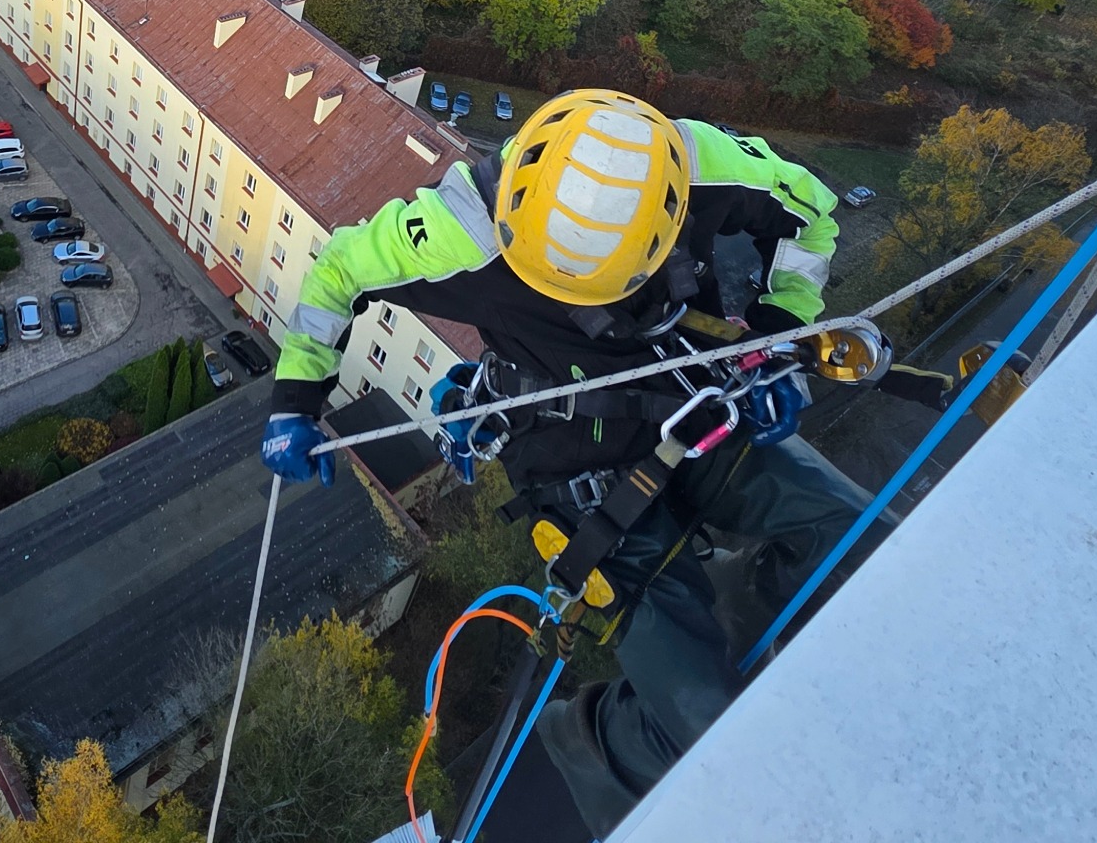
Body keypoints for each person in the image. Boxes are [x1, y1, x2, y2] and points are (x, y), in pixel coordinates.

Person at [261, 90, 879, 834]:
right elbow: (338, 272)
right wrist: (297, 397)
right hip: (578, 479)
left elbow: (811, 215)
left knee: (869, 543)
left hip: (703, 408)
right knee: (708, 729)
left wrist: (781, 337)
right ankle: (593, 742)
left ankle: (767, 624)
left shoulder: (702, 168)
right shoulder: (461, 228)